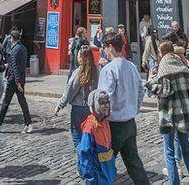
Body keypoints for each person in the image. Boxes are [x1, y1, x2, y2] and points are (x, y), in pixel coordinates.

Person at [145, 41, 189, 185]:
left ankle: (174, 182)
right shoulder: (181, 65)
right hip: (183, 115)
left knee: (169, 151)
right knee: (186, 149)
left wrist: (149, 81)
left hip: (169, 115)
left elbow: (165, 90)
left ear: (161, 53)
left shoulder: (165, 66)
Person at [97, 31, 148, 184]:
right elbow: (141, 90)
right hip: (130, 123)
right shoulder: (131, 66)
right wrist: (135, 107)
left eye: (105, 47)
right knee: (134, 163)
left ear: (110, 47)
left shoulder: (109, 69)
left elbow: (104, 98)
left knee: (104, 162)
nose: (104, 50)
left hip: (114, 125)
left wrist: (100, 117)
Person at [55, 41, 99, 151]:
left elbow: (70, 92)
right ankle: (87, 162)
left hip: (79, 110)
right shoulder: (96, 71)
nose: (77, 57)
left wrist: (60, 105)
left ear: (83, 58)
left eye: (79, 55)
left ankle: (85, 162)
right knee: (89, 138)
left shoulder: (78, 73)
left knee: (77, 139)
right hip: (91, 110)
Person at [0, 30, 32, 131]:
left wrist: (17, 81)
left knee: (6, 102)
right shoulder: (23, 48)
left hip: (14, 79)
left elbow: (14, 66)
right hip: (21, 78)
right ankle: (28, 123)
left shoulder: (14, 50)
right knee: (22, 101)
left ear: (11, 38)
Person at [77, 89, 116, 185]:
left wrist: (113, 169)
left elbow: (109, 149)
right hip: (97, 175)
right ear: (94, 105)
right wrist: (90, 177)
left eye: (107, 102)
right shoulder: (90, 127)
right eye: (102, 103)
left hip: (107, 172)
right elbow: (85, 153)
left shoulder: (105, 122)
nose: (106, 105)